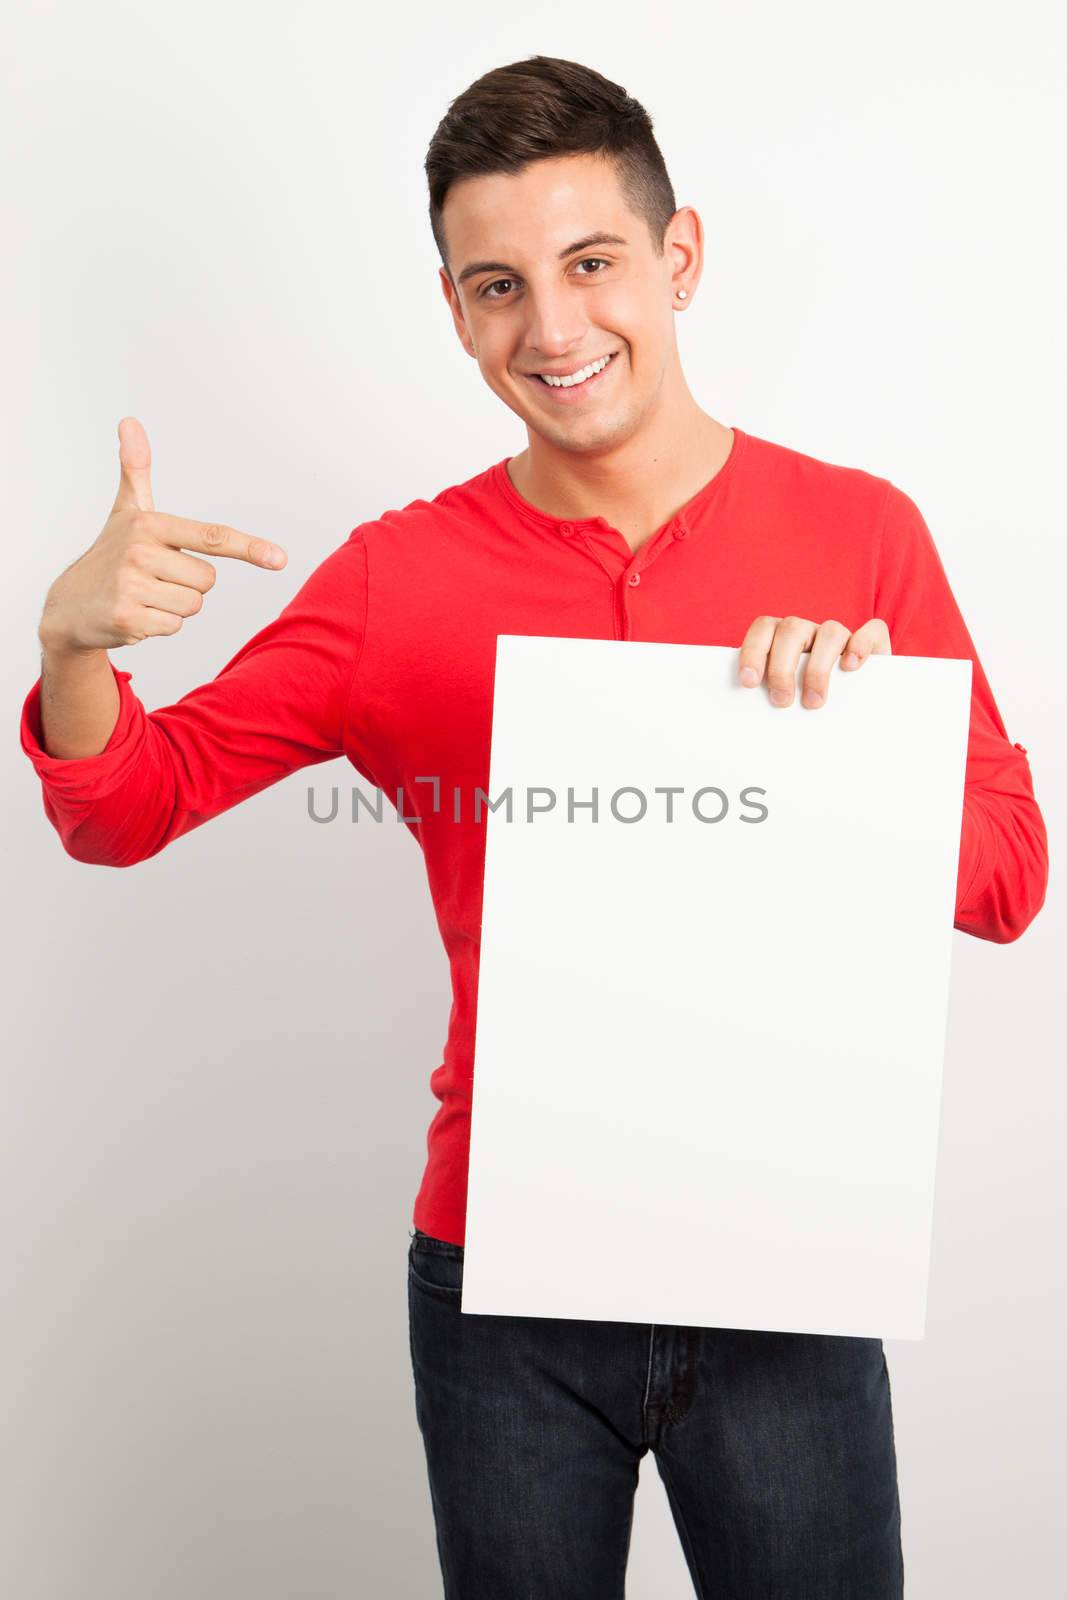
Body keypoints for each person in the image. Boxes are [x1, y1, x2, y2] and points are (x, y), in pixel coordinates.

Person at [21, 52, 1047, 1600]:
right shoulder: (395, 581)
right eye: (497, 285)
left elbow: (1008, 879)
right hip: (500, 1279)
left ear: (679, 256)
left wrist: (856, 769)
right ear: (453, 307)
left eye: (591, 265)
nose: (553, 330)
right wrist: (73, 650)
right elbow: (130, 807)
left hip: (788, 1262)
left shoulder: (859, 534)